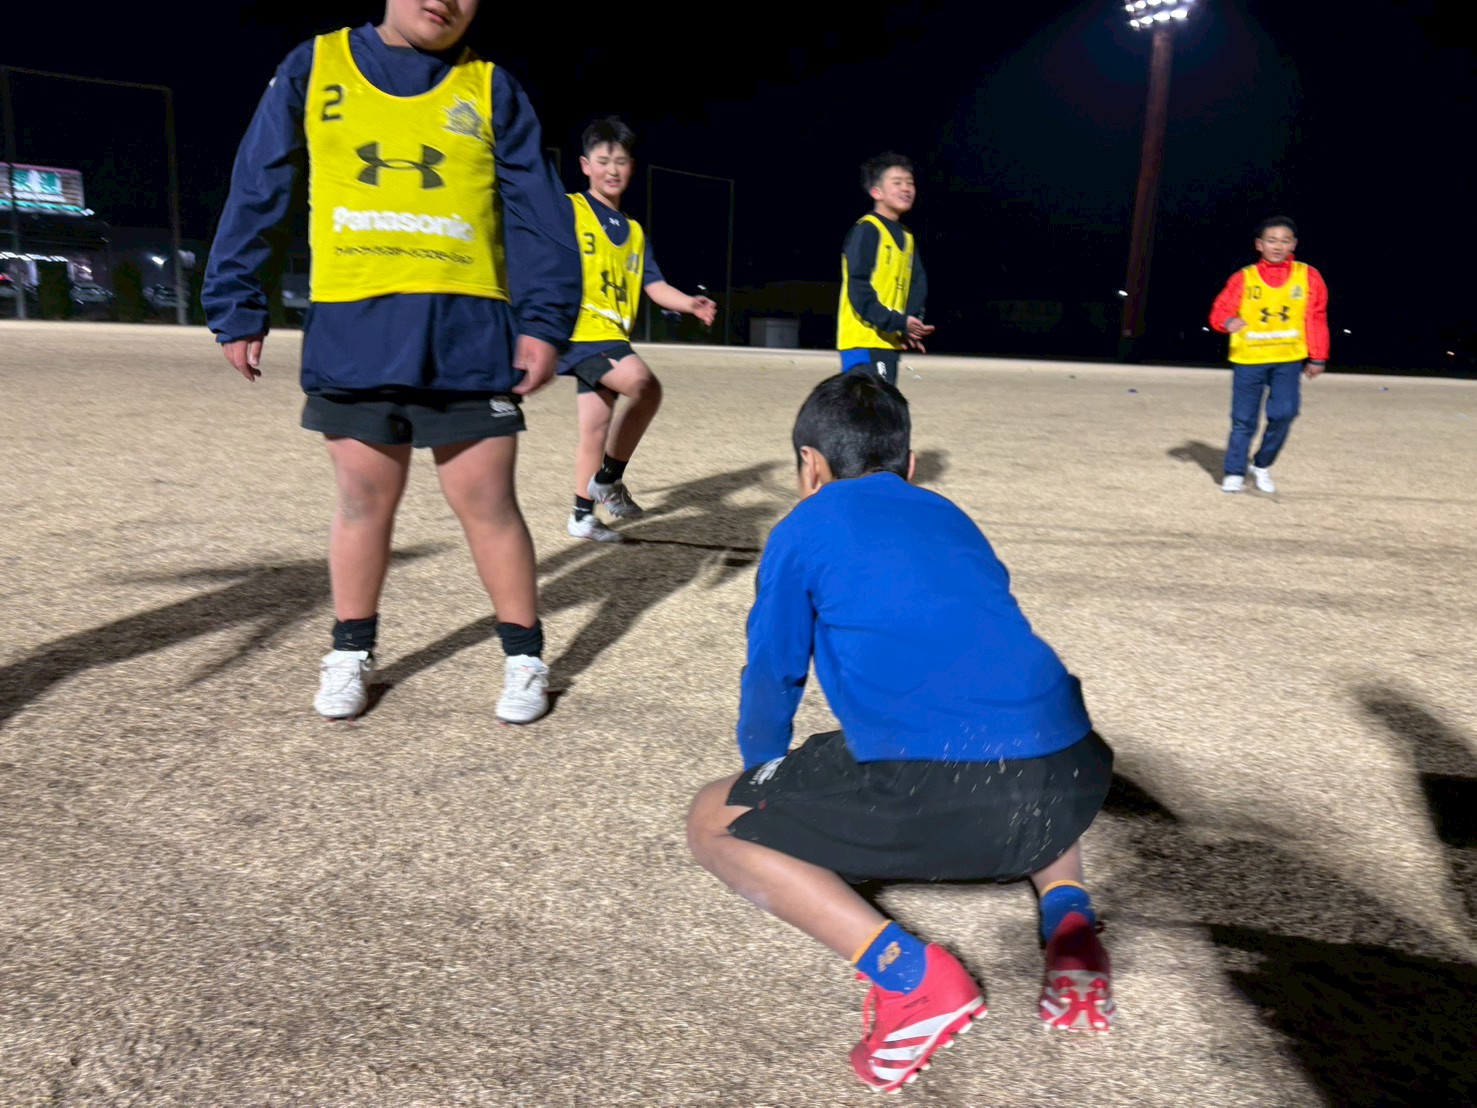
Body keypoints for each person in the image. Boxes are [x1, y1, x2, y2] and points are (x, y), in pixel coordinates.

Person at [687, 374, 1116, 1094]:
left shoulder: (803, 527)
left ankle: (914, 981)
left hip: (946, 789)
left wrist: (764, 782)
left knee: (709, 821)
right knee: (1012, 721)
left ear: (810, 466)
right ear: (910, 466)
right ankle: (1069, 920)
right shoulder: (949, 515)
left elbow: (772, 676)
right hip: (1072, 775)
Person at [202, 0, 580, 723]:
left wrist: (543, 320)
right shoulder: (314, 66)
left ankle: (524, 658)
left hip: (466, 331)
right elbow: (260, 184)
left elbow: (537, 210)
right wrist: (237, 298)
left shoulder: (490, 87)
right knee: (360, 502)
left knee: (488, 504)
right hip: (354, 325)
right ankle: (350, 652)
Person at [559, 116, 717, 543]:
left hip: (610, 334)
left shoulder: (634, 231)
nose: (612, 169)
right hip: (582, 332)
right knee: (645, 385)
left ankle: (581, 517)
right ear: (585, 165)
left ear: (631, 168)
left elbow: (654, 285)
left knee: (595, 428)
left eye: (621, 161)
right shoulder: (568, 209)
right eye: (603, 160)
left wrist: (689, 303)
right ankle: (608, 479)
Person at [1208, 216, 1329, 494]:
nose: (1278, 246)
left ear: (1293, 244)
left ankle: (1261, 464)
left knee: (1285, 413)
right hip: (1249, 359)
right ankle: (1234, 471)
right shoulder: (1244, 277)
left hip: (1288, 359)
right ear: (1259, 245)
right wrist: (1228, 322)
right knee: (1244, 420)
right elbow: (1219, 311)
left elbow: (1316, 318)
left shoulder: (1308, 276)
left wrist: (1318, 356)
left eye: (1284, 241)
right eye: (1271, 240)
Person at [835, 152, 933, 389]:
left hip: (888, 341)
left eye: (910, 183)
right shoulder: (867, 230)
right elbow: (858, 287)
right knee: (871, 407)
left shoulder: (907, 237)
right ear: (876, 192)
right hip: (862, 340)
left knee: (879, 408)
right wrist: (897, 321)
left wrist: (908, 325)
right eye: (897, 183)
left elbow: (917, 285)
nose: (906, 188)